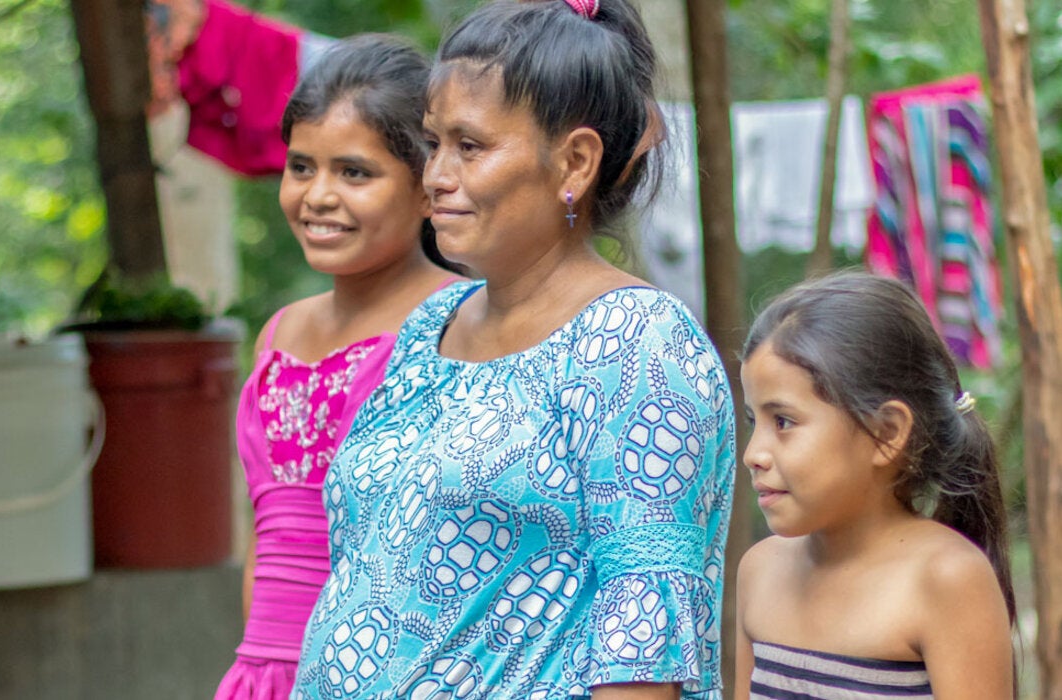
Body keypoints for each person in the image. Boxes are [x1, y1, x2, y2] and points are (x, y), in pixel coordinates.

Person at [291, 1, 736, 699]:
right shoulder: (430, 325)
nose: (436, 174)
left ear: (575, 162)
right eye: (433, 142)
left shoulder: (639, 345)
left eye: (470, 147)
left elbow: (643, 645)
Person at [215, 35, 462, 700]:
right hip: (263, 674)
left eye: (354, 172)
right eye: (302, 167)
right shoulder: (280, 332)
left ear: (425, 188)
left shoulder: (457, 324)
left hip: (393, 674)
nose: (318, 195)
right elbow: (263, 537)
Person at [733, 272, 1016, 699]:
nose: (753, 453)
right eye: (755, 421)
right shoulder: (759, 571)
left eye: (784, 421)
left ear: (886, 433)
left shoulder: (947, 580)